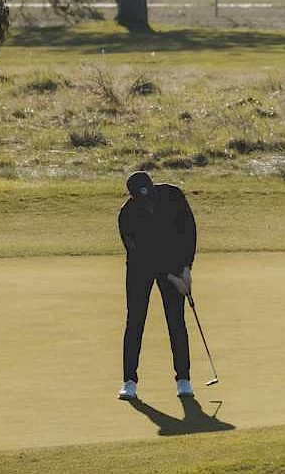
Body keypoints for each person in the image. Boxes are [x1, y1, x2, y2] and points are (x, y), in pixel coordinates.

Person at [117, 169, 197, 400]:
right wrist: (173, 278)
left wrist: (186, 269)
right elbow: (144, 255)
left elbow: (188, 232)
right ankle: (129, 381)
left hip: (174, 263)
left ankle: (183, 379)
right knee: (135, 321)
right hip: (139, 269)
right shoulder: (127, 216)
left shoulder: (173, 197)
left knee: (176, 320)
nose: (148, 202)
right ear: (132, 197)